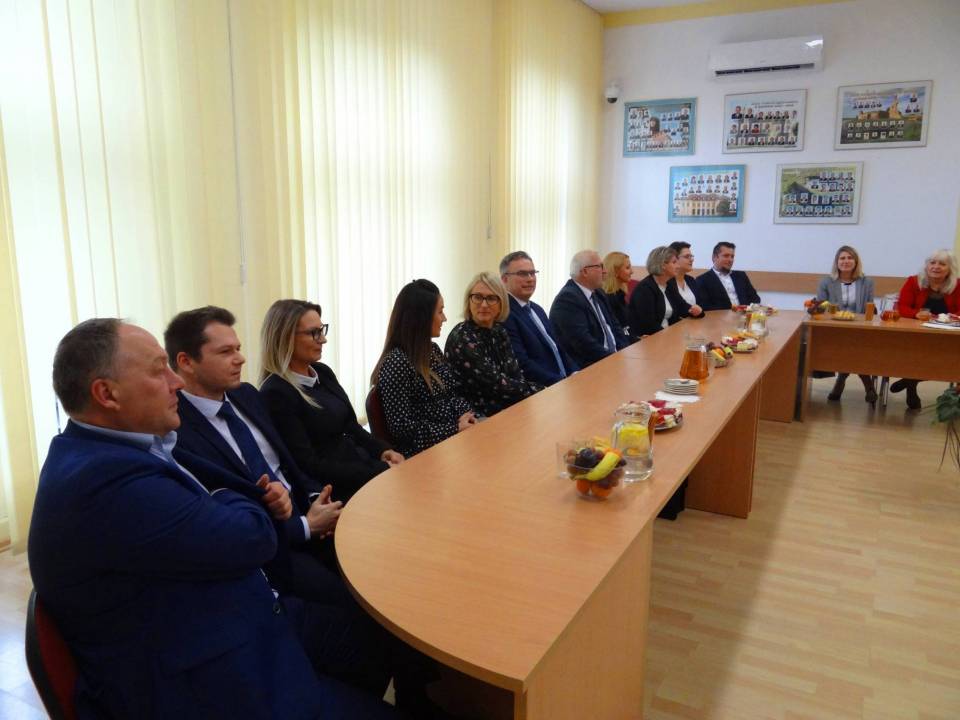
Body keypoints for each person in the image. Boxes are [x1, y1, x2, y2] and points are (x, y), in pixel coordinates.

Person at [29, 319, 398, 720]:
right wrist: (240, 499)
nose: (176, 382)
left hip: (235, 619)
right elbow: (253, 536)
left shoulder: (116, 449)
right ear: (106, 394)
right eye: (158, 370)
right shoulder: (105, 483)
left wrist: (230, 501)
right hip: (212, 678)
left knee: (381, 637)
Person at [165, 306, 347, 604]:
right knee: (347, 602)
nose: (240, 358)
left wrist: (317, 500)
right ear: (186, 362)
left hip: (311, 515)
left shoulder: (246, 394)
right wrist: (305, 527)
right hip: (272, 549)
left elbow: (287, 464)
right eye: (226, 352)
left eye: (238, 348)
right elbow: (224, 520)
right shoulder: (175, 432)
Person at [258, 299, 403, 504]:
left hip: (363, 470)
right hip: (335, 491)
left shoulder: (322, 372)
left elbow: (352, 427)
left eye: (322, 330)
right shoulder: (276, 393)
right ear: (285, 337)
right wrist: (378, 470)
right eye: (314, 333)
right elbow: (309, 465)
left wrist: (383, 451)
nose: (323, 339)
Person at [371, 279, 476, 456]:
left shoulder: (432, 350)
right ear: (422, 318)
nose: (445, 318)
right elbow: (402, 428)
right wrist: (454, 429)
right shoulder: (396, 363)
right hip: (425, 453)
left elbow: (453, 394)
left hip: (453, 441)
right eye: (440, 312)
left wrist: (468, 416)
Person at [444, 272, 542, 417]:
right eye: (478, 297)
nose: (484, 305)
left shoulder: (499, 330)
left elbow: (515, 374)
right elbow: (496, 385)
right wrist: (538, 389)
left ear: (501, 303)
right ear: (469, 301)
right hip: (474, 417)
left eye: (491, 298)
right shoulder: (462, 336)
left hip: (505, 407)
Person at [891, 249, 960, 409]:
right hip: (917, 335)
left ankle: (910, 380)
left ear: (950, 268)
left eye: (942, 264)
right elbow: (902, 307)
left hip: (947, 335)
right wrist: (916, 314)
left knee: (946, 361)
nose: (936, 266)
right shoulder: (913, 282)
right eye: (932, 262)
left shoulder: (957, 285)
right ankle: (911, 386)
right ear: (926, 265)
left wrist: (952, 317)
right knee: (915, 356)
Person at [499, 250, 578, 386]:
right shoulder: (505, 314)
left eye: (532, 273)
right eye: (522, 274)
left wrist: (575, 373)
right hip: (543, 389)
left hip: (564, 382)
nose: (530, 279)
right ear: (504, 279)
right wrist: (561, 383)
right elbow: (522, 364)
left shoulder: (537, 309)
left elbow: (557, 347)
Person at [815, 246, 878, 403]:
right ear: (836, 262)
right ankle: (868, 386)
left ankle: (840, 380)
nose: (846, 261)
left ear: (856, 262)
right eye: (842, 258)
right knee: (851, 348)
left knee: (855, 347)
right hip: (834, 328)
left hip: (860, 328)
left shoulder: (867, 282)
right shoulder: (826, 282)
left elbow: (869, 306)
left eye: (850, 258)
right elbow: (820, 306)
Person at [549, 249, 631, 368]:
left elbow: (615, 326)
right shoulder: (567, 300)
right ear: (585, 271)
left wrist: (626, 353)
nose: (605, 271)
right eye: (600, 266)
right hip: (591, 366)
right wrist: (614, 359)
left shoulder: (598, 293)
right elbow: (584, 343)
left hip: (612, 359)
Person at [627, 246, 701, 337]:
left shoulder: (669, 284)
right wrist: (672, 335)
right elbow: (649, 325)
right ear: (663, 265)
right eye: (674, 262)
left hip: (667, 334)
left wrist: (697, 312)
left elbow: (682, 307)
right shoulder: (645, 289)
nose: (678, 266)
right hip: (650, 339)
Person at [696, 241, 762, 310]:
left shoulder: (741, 276)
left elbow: (755, 299)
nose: (730, 260)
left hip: (744, 314)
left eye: (732, 256)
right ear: (714, 257)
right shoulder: (702, 280)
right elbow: (705, 307)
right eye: (726, 256)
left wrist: (746, 309)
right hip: (720, 316)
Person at [601, 251, 637, 339]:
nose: (632, 271)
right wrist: (636, 339)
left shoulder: (619, 295)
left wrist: (637, 338)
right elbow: (618, 332)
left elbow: (626, 328)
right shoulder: (610, 299)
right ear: (615, 271)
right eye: (627, 268)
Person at [668, 241, 705, 309]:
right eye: (687, 256)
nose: (691, 260)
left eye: (691, 256)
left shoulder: (691, 280)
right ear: (674, 259)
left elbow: (701, 304)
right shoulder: (666, 282)